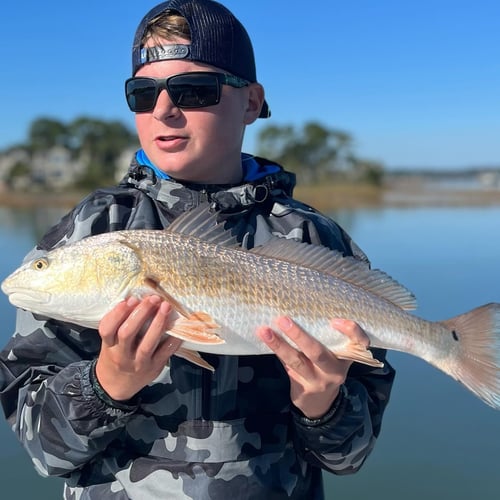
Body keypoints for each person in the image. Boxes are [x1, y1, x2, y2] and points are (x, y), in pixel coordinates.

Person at [0, 1, 395, 498]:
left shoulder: (315, 241)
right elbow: (43, 453)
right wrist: (107, 383)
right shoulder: (93, 231)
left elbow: (349, 457)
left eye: (194, 90)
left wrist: (323, 404)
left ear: (251, 102)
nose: (164, 110)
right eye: (143, 94)